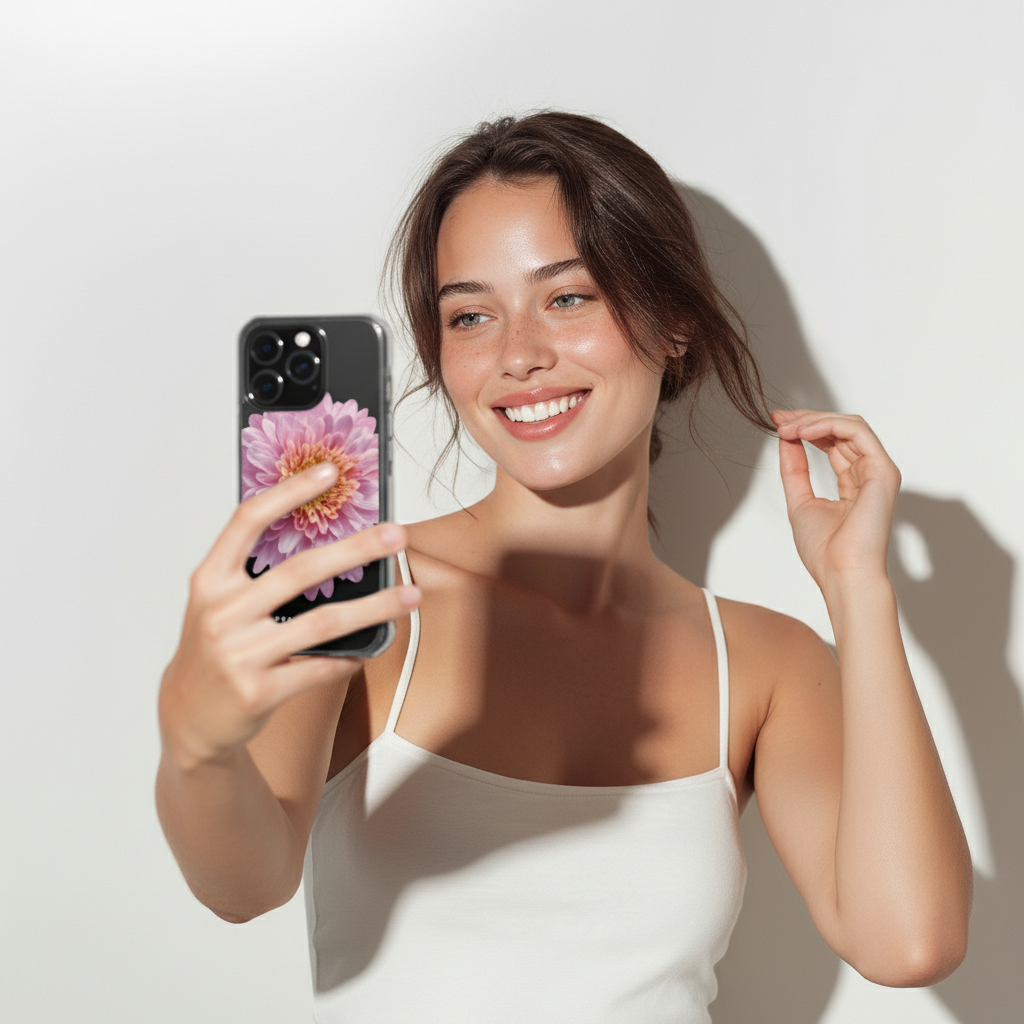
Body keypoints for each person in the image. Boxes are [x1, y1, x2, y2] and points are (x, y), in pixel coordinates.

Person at [156, 112, 972, 1021]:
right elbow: (243, 881)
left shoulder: (768, 664)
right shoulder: (358, 589)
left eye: (569, 297)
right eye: (471, 315)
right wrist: (195, 745)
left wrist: (861, 588)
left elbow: (909, 942)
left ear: (672, 323)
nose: (519, 356)